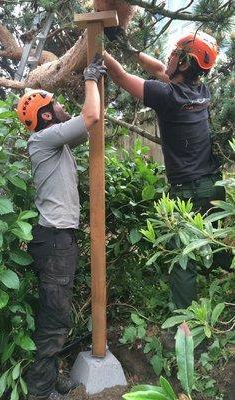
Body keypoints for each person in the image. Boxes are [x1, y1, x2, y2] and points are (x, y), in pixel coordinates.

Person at [104, 32, 225, 309]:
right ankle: (222, 296)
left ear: (183, 64)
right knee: (216, 245)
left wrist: (97, 48)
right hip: (213, 187)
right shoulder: (200, 92)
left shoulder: (166, 95)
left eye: (174, 54)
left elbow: (121, 77)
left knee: (184, 257)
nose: (167, 58)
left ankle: (185, 324)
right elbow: (159, 69)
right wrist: (128, 46)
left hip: (189, 191)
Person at [16, 55, 106, 400]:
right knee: (54, 317)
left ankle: (50, 379)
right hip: (54, 242)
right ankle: (39, 391)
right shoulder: (44, 140)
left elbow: (87, 126)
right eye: (56, 105)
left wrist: (93, 87)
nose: (62, 107)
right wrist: (88, 79)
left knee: (58, 311)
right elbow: (91, 115)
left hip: (56, 241)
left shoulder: (56, 141)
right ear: (47, 116)